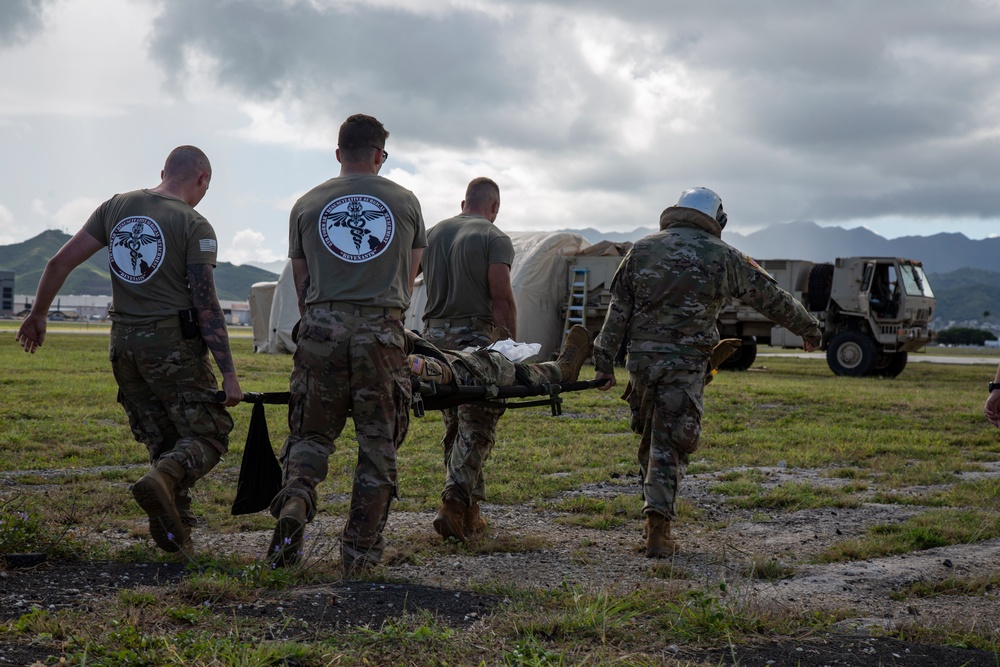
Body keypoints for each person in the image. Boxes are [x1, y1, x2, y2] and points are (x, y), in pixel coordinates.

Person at [15, 145, 243, 554]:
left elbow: (57, 263)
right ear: (202, 179)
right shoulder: (194, 225)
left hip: (123, 344)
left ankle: (178, 534)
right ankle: (164, 485)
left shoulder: (116, 207)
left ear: (163, 172)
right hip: (171, 345)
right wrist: (228, 373)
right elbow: (207, 305)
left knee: (164, 439)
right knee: (209, 435)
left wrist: (38, 315)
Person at [592, 187, 822, 558]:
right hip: (685, 364)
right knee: (670, 444)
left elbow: (617, 311)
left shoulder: (642, 248)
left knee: (651, 439)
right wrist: (809, 329)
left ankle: (654, 519)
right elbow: (771, 297)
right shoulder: (725, 256)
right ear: (718, 220)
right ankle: (658, 528)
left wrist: (604, 363)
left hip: (642, 362)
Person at [268, 114, 427, 575]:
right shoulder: (405, 201)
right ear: (380, 154)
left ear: (339, 153)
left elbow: (302, 283)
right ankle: (358, 553)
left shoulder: (307, 203)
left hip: (321, 327)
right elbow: (411, 273)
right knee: (377, 444)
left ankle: (296, 499)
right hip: (381, 332)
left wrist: (322, 320)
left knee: (311, 432)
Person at [419, 177, 520, 541]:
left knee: (454, 425)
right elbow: (501, 297)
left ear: (464, 202)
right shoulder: (494, 237)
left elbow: (402, 276)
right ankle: (454, 505)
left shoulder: (432, 234)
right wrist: (510, 347)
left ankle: (471, 512)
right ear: (494, 206)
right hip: (474, 341)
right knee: (479, 423)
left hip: (434, 341)